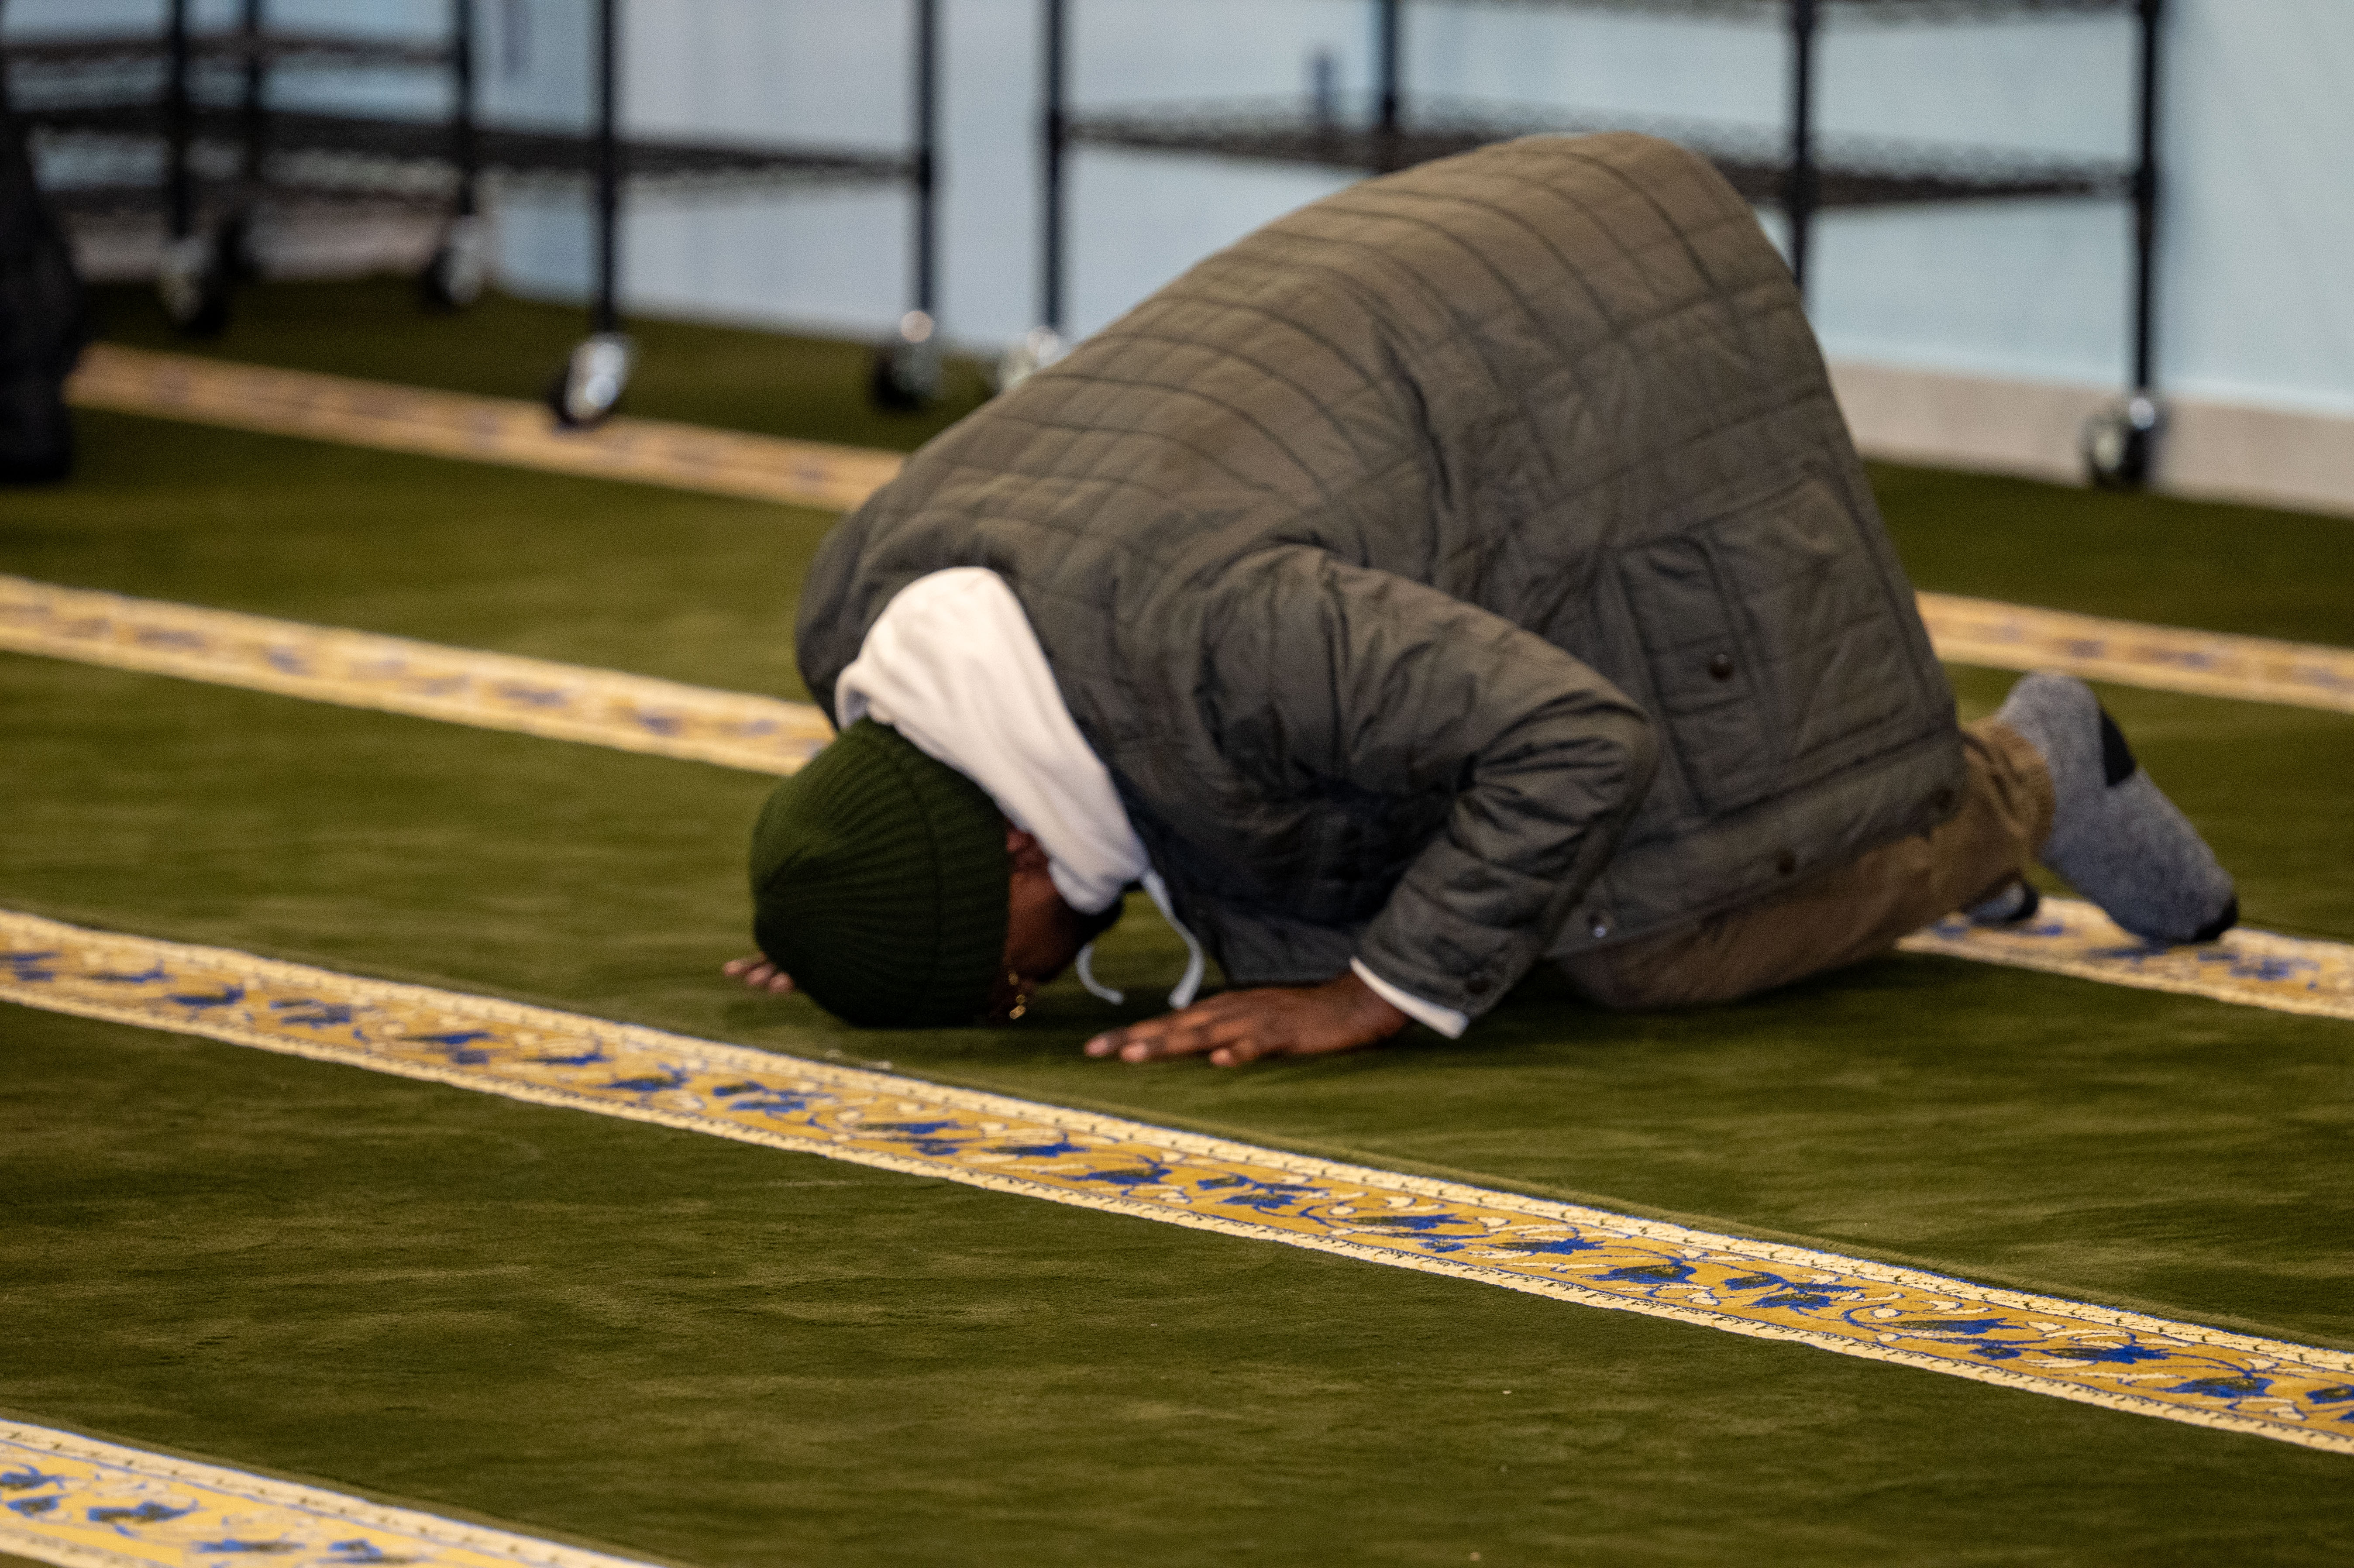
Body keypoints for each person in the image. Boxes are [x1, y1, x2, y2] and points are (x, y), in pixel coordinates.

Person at [727, 132, 2235, 1066]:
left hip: (1623, 347)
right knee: (1391, 872)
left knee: (1641, 938)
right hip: (1459, 314)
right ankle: (1870, 850)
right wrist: (856, 899)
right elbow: (892, 811)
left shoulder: (1215, 640)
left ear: (1013, 839)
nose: (1027, 998)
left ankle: (2021, 778)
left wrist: (1378, 996)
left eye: (1003, 982)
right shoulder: (859, 611)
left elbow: (1580, 743)